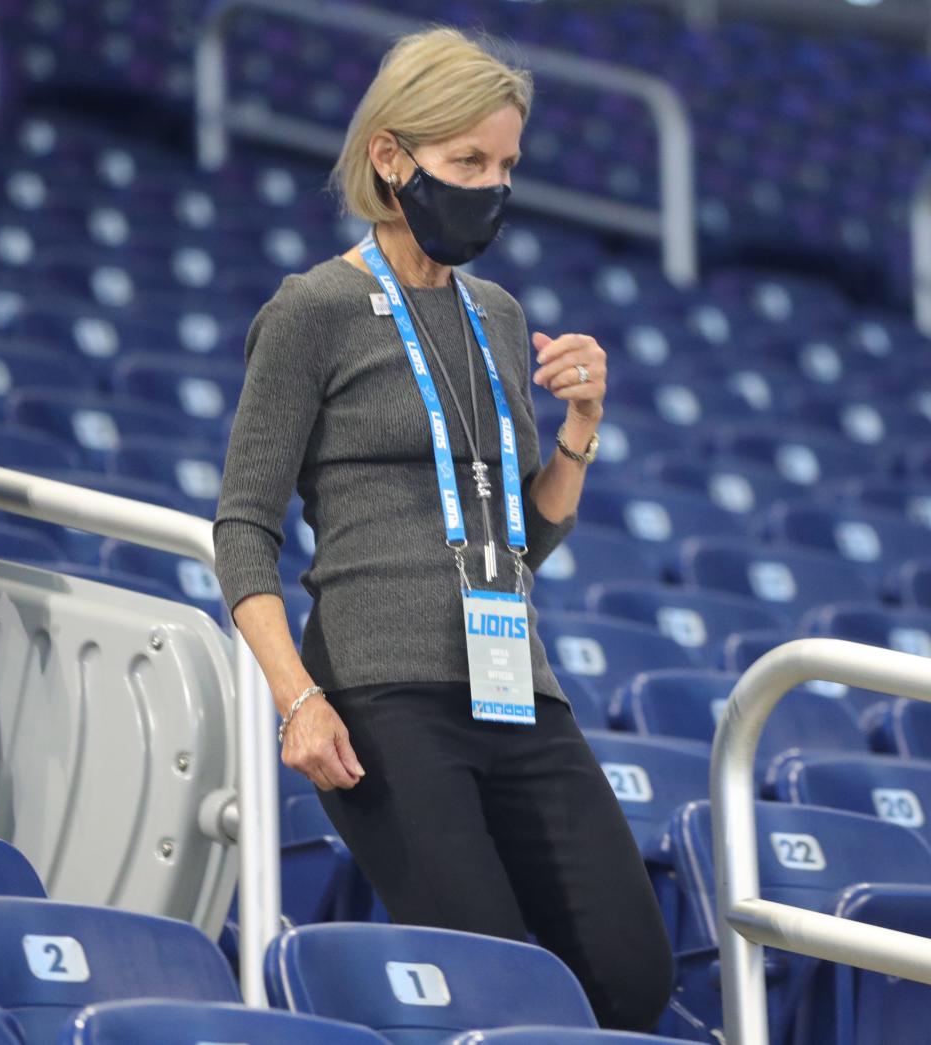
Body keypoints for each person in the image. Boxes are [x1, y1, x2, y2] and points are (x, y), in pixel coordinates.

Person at [213, 26, 673, 1031]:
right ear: (392, 156)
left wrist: (582, 434)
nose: (491, 187)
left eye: (505, 166)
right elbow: (244, 528)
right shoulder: (314, 310)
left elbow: (523, 543)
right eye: (468, 162)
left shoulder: (498, 315)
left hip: (517, 687)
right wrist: (299, 700)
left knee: (637, 976)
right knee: (500, 982)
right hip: (382, 693)